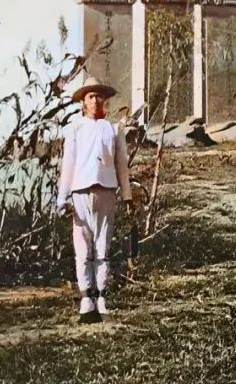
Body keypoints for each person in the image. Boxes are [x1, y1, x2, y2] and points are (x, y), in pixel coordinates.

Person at [56, 76, 136, 323]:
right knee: (83, 249)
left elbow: (121, 165)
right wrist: (62, 198)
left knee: (102, 247)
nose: (95, 100)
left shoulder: (113, 129)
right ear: (83, 102)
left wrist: (127, 195)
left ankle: (101, 298)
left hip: (106, 191)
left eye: (99, 96)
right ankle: (86, 300)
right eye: (91, 96)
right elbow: (68, 164)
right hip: (80, 192)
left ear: (105, 100)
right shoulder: (75, 129)